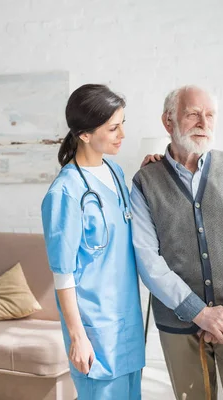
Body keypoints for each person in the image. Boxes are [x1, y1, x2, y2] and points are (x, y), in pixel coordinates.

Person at [131, 85, 223, 400]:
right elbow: (148, 260)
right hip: (180, 326)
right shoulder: (145, 181)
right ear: (168, 122)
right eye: (193, 114)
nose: (203, 122)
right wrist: (200, 312)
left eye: (209, 115)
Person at [41, 84, 149, 399]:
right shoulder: (65, 192)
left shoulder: (115, 172)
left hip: (127, 322)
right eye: (113, 127)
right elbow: (63, 275)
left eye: (122, 124)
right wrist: (78, 337)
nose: (122, 134)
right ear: (85, 134)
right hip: (95, 330)